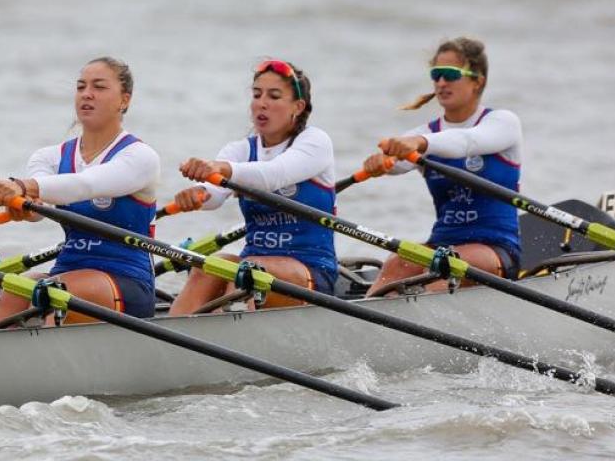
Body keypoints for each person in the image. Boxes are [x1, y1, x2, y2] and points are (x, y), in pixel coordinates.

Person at [0, 57, 161, 330]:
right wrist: (22, 206)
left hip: (127, 281)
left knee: (54, 293)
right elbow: (39, 208)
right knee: (17, 287)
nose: (87, 93)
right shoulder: (49, 157)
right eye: (81, 87)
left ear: (124, 100)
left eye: (99, 87)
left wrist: (23, 186)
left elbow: (86, 185)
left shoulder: (140, 157)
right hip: (67, 271)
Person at [166, 59, 338, 315]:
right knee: (208, 266)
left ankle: (230, 329)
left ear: (298, 107)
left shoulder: (314, 142)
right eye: (257, 95)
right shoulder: (240, 150)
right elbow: (213, 196)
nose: (262, 103)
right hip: (250, 266)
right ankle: (173, 338)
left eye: (274, 96)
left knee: (251, 270)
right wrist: (197, 195)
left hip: (310, 270)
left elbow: (274, 175)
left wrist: (222, 170)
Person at [359, 37, 523, 296]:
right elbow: (394, 165)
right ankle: (361, 324)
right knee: (396, 264)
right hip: (441, 244)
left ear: (477, 80)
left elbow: (467, 141)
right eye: (436, 75)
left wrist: (421, 143)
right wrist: (378, 163)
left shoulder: (502, 123)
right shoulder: (425, 133)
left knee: (446, 268)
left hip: (494, 248)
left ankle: (416, 316)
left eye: (450, 75)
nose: (441, 83)